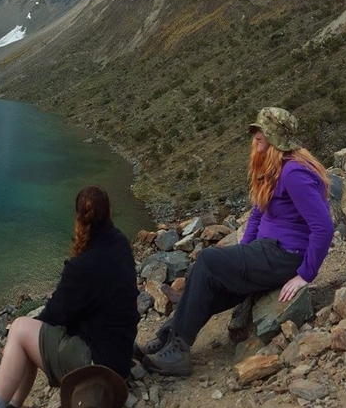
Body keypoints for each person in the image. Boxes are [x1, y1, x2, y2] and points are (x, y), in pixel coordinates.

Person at [139, 107, 334, 376]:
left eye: (260, 135)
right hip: (264, 252)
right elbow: (257, 214)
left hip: (285, 255)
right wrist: (244, 256)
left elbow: (323, 226)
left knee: (207, 260)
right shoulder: (272, 169)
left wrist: (305, 274)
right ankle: (168, 338)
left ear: (275, 140)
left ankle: (178, 351)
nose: (254, 140)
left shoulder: (294, 174)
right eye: (255, 134)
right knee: (206, 276)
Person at [0, 186, 139, 408]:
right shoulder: (120, 243)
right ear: (110, 212)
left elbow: (55, 314)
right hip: (118, 355)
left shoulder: (82, 267)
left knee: (20, 329)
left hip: (97, 363)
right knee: (31, 334)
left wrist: (30, 327)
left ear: (78, 217)